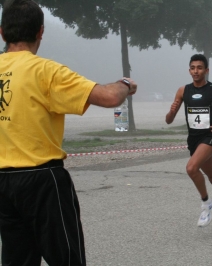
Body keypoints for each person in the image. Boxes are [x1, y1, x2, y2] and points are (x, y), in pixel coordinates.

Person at [0, 1, 137, 265]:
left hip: (3, 183)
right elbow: (109, 97)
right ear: (41, 32)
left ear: (2, 32)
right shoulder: (46, 71)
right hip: (42, 180)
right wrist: (126, 84)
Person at [166, 54, 212, 231]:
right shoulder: (183, 91)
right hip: (194, 139)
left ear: (206, 70)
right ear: (189, 70)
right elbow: (169, 120)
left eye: (199, 68)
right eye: (192, 68)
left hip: (211, 136)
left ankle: (206, 203)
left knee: (191, 168)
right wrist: (171, 112)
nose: (195, 71)